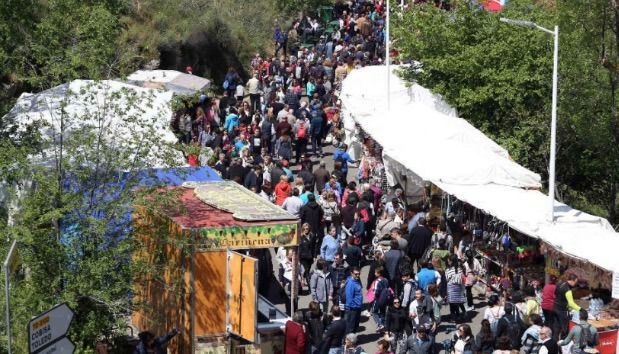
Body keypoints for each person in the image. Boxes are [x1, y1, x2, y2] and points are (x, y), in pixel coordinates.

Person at [552, 273, 580, 341]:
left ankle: (555, 342)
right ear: (573, 280)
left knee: (556, 328)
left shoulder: (560, 284)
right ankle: (563, 344)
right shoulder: (568, 290)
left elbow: (555, 294)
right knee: (564, 329)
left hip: (555, 308)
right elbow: (571, 303)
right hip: (562, 311)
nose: (576, 284)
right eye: (576, 282)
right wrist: (581, 309)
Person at [446, 255, 467, 323]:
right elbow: (462, 279)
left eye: (449, 260)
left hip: (451, 288)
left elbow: (447, 279)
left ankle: (453, 318)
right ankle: (459, 315)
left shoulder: (448, 270)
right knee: (458, 302)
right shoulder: (460, 269)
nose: (448, 261)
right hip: (459, 287)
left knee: (452, 304)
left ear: (451, 261)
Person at [344, 266, 363, 334]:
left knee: (355, 325)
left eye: (359, 274)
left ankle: (352, 340)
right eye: (356, 274)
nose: (358, 275)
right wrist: (353, 308)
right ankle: (349, 342)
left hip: (357, 307)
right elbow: (349, 298)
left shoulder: (356, 280)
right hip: (352, 308)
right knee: (351, 327)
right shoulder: (350, 283)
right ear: (351, 273)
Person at [299, 223, 314, 288]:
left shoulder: (312, 236)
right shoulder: (301, 237)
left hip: (310, 257)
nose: (306, 230)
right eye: (304, 229)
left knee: (307, 270)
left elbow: (314, 247)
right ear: (302, 229)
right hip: (303, 257)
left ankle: (303, 278)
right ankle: (310, 288)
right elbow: (299, 248)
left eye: (307, 229)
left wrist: (314, 256)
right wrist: (298, 258)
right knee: (307, 271)